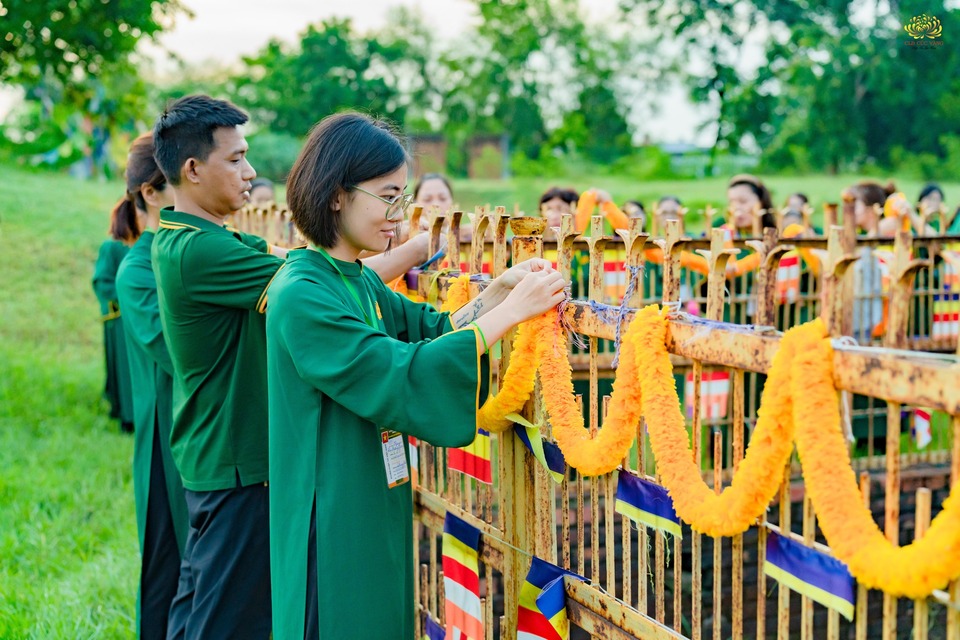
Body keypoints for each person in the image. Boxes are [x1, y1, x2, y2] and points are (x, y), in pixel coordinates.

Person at [265, 111, 566, 639]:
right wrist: (511, 312)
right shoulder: (303, 292)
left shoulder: (352, 276)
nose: (398, 216)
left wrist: (500, 290)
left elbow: (429, 329)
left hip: (367, 490)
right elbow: (396, 368)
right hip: (330, 503)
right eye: (388, 197)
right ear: (337, 194)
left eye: (402, 198)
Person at [151, 95, 439, 639]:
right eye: (235, 159)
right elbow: (320, 285)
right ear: (192, 169)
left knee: (210, 605)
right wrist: (423, 246)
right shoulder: (199, 252)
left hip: (223, 453)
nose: (250, 171)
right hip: (239, 460)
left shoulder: (206, 238)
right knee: (226, 619)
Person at [114, 133, 189, 640]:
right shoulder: (137, 270)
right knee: (170, 569)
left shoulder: (181, 255)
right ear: (150, 193)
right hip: (168, 438)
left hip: (197, 428)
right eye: (176, 181)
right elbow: (176, 352)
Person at [93, 181, 137, 433]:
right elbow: (102, 281)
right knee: (123, 368)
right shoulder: (111, 247)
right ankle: (126, 415)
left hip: (137, 315)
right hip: (120, 318)